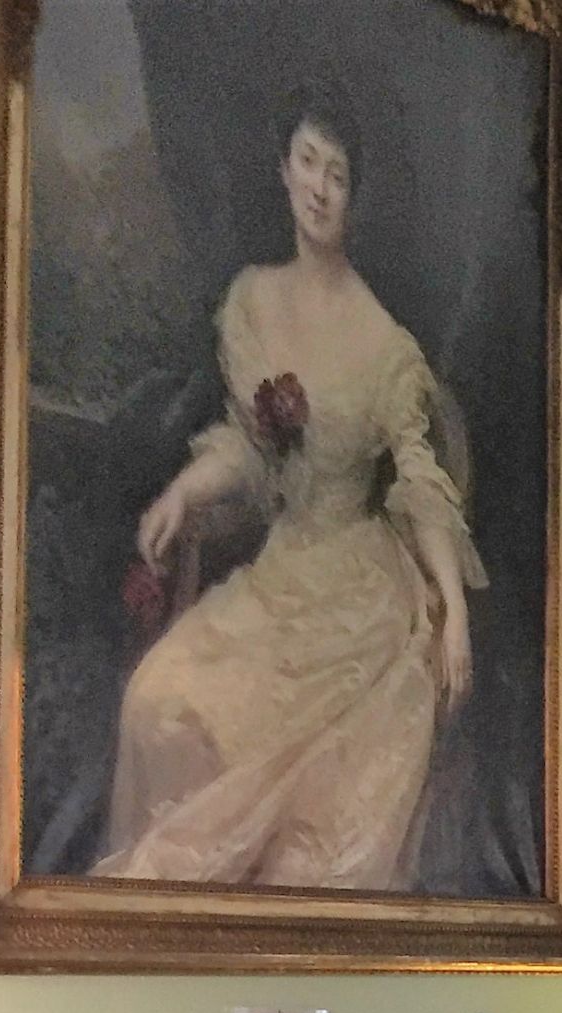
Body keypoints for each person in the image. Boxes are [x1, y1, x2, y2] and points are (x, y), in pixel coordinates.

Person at [100, 84, 488, 889]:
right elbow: (249, 447)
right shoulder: (252, 299)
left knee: (314, 830)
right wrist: (182, 493)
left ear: (354, 198)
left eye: (337, 175)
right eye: (308, 162)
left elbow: (421, 483)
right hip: (279, 578)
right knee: (155, 701)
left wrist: (453, 612)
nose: (319, 188)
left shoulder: (384, 344)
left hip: (356, 596)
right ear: (283, 169)